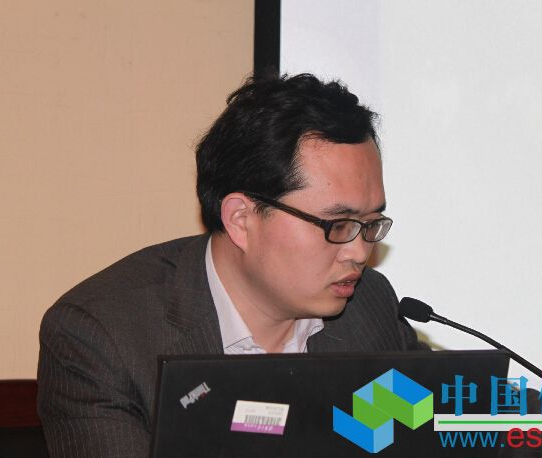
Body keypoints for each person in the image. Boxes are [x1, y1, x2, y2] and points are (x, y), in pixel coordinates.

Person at [37, 73, 425, 457]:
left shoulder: (370, 309)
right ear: (241, 219)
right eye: (338, 224)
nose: (358, 252)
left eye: (371, 223)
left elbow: (425, 431)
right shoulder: (103, 337)